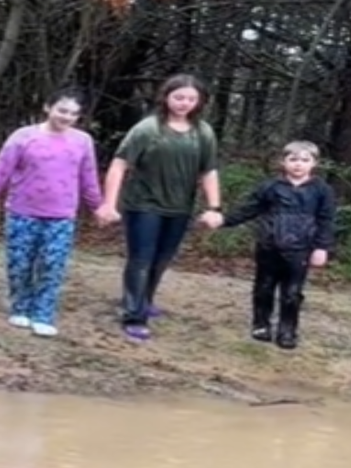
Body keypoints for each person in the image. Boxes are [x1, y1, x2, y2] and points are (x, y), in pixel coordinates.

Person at [0, 88, 104, 337]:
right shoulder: (23, 137)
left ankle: (43, 313)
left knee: (52, 265)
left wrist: (99, 206)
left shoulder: (83, 141)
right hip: (23, 212)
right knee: (20, 263)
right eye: (62, 110)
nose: (66, 117)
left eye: (73, 113)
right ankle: (20, 307)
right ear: (48, 107)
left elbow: (88, 178)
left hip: (62, 215)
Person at [96, 73, 223, 342]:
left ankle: (144, 299)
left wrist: (215, 207)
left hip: (179, 207)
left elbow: (209, 171)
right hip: (143, 204)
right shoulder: (148, 129)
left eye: (190, 98)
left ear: (199, 102)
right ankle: (133, 314)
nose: (184, 103)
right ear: (166, 97)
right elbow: (119, 165)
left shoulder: (203, 132)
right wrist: (109, 203)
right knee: (141, 259)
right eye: (178, 97)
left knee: (162, 259)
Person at [199, 140, 337, 349]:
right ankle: (261, 325)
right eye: (293, 159)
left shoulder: (322, 190)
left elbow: (326, 220)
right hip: (269, 246)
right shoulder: (270, 187)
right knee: (264, 287)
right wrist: (223, 220)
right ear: (283, 162)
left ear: (314, 163)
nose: (298, 164)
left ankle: (287, 330)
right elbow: (248, 209)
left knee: (292, 292)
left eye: (304, 160)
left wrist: (321, 248)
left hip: (300, 249)